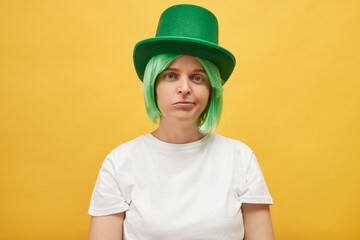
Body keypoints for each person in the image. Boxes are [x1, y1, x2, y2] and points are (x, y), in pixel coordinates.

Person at [88, 4, 274, 240]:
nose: (184, 89)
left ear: (211, 89)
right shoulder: (120, 162)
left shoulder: (241, 158)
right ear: (153, 85)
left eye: (197, 77)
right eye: (170, 75)